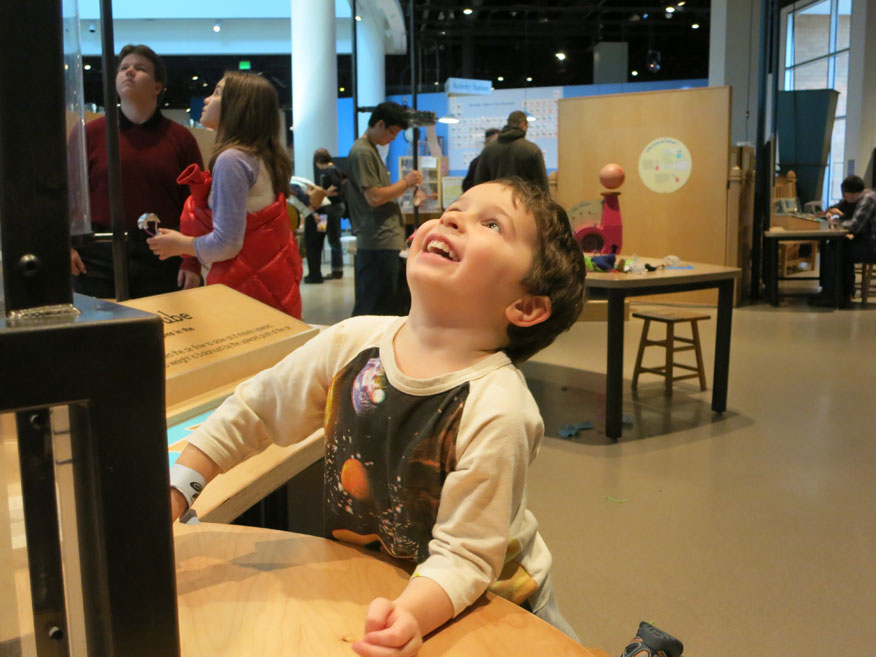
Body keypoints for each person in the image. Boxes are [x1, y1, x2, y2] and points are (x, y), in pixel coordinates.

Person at [166, 178, 587, 654]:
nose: (452, 218)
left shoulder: (498, 407)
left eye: (492, 225)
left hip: (493, 605)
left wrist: (412, 614)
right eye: (456, 207)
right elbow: (256, 410)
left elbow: (467, 556)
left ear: (526, 307)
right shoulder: (351, 341)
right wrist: (179, 488)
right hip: (379, 581)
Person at [146, 72, 303, 318]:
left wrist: (180, 245)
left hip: (244, 296)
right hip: (270, 287)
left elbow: (227, 244)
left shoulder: (232, 160)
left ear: (239, 106)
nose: (207, 99)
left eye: (217, 93)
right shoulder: (262, 158)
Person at [72, 44, 204, 299]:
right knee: (101, 324)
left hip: (164, 251)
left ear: (157, 87)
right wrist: (66, 245)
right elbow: (68, 193)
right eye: (123, 68)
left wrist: (192, 259)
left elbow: (197, 204)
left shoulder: (181, 139)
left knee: (165, 323)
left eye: (140, 68)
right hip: (97, 254)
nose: (129, 71)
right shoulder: (88, 135)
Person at [345, 101, 423, 316]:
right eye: (392, 132)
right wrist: (406, 182)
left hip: (382, 239)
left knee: (383, 302)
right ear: (380, 124)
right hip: (377, 239)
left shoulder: (369, 150)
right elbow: (375, 197)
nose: (393, 138)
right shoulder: (363, 152)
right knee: (374, 306)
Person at [811, 175, 876, 308]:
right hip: (867, 242)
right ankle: (840, 294)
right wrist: (833, 214)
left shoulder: (868, 199)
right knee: (836, 246)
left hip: (871, 246)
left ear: (850, 193)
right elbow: (842, 208)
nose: (845, 198)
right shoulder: (864, 196)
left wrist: (837, 222)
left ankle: (833, 295)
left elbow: (856, 225)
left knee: (836, 250)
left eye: (845, 194)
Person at [474, 111, 549, 193]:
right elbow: (542, 185)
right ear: (523, 124)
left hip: (494, 199)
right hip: (523, 199)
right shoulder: (532, 150)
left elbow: (479, 182)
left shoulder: (488, 149)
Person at [305, 148, 347, 283]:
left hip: (331, 209)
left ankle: (337, 270)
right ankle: (334, 269)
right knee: (326, 237)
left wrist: (325, 193)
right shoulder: (335, 169)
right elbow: (344, 178)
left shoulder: (329, 171)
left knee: (332, 238)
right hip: (330, 209)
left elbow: (337, 183)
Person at [461, 128, 500, 192]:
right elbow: (467, 186)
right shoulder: (476, 162)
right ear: (487, 141)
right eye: (496, 141)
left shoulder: (502, 160)